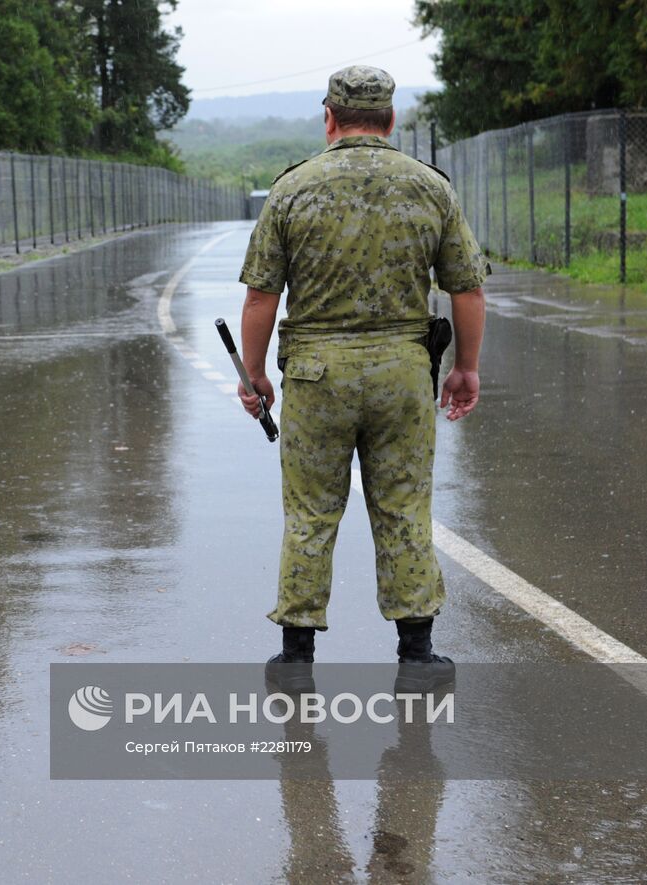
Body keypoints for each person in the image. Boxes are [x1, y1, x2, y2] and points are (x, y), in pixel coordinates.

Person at [236, 66, 488, 679]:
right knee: (404, 506)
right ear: (391, 119)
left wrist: (254, 374)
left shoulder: (292, 190)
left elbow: (261, 298)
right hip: (403, 372)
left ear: (330, 117)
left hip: (316, 376)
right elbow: (467, 287)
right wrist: (466, 369)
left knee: (310, 511)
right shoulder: (430, 188)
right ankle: (418, 653)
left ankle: (296, 655)